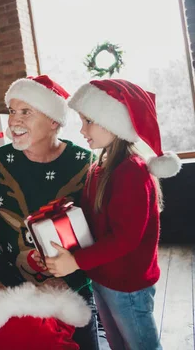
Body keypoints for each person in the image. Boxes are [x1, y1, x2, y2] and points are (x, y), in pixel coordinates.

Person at [0, 75, 100, 349]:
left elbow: (99, 234)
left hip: (70, 281)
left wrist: (77, 277)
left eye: (26, 112)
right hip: (6, 275)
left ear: (53, 121)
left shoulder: (86, 164)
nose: (14, 121)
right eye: (12, 111)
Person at [45, 78, 181, 350]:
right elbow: (92, 217)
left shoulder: (131, 171)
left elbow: (125, 239)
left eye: (88, 121)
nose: (82, 129)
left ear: (113, 123)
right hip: (103, 277)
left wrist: (76, 261)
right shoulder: (100, 167)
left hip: (128, 285)